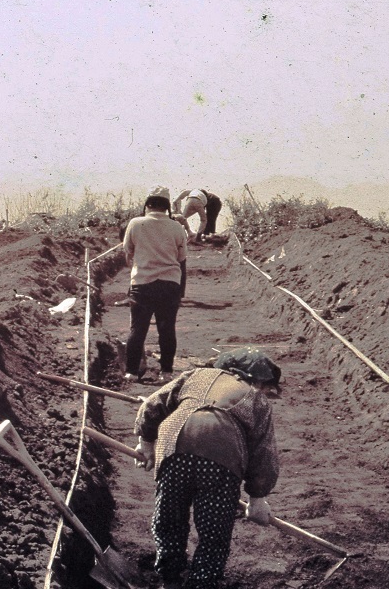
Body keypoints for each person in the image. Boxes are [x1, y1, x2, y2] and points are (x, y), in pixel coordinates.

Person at [132, 347, 281, 589]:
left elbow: (153, 403)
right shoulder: (256, 400)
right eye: (265, 386)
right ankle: (203, 581)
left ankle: (170, 576)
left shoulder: (195, 375)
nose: (265, 392)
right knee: (214, 529)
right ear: (255, 380)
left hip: (173, 444)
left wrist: (145, 442)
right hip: (221, 455)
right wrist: (257, 498)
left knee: (170, 516)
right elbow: (263, 452)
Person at [123, 186, 188, 384]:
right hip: (169, 284)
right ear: (167, 207)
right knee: (167, 329)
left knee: (138, 329)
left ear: (147, 205)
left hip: (142, 283)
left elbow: (128, 252)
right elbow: (181, 257)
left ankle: (132, 372)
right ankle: (166, 372)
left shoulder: (135, 223)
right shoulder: (177, 227)